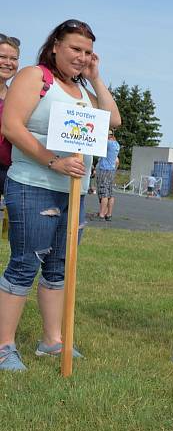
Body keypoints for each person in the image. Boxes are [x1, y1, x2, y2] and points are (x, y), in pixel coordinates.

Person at [0, 20, 121, 371]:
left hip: (74, 191)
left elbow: (112, 120)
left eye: (87, 52)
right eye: (75, 49)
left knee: (59, 267)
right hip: (33, 185)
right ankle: (4, 345)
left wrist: (96, 76)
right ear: (55, 45)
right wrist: (53, 161)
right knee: (25, 263)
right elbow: (11, 126)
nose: (81, 57)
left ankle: (52, 341)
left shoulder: (83, 91)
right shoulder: (35, 77)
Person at [0, 33, 21, 197]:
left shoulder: (16, 97)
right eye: (2, 57)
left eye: (13, 58)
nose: (8, 63)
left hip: (9, 169)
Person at [96, 130, 120, 220]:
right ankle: (109, 214)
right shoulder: (117, 144)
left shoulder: (108, 144)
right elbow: (117, 161)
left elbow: (98, 142)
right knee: (110, 194)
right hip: (111, 171)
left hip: (104, 170)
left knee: (104, 193)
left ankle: (102, 214)